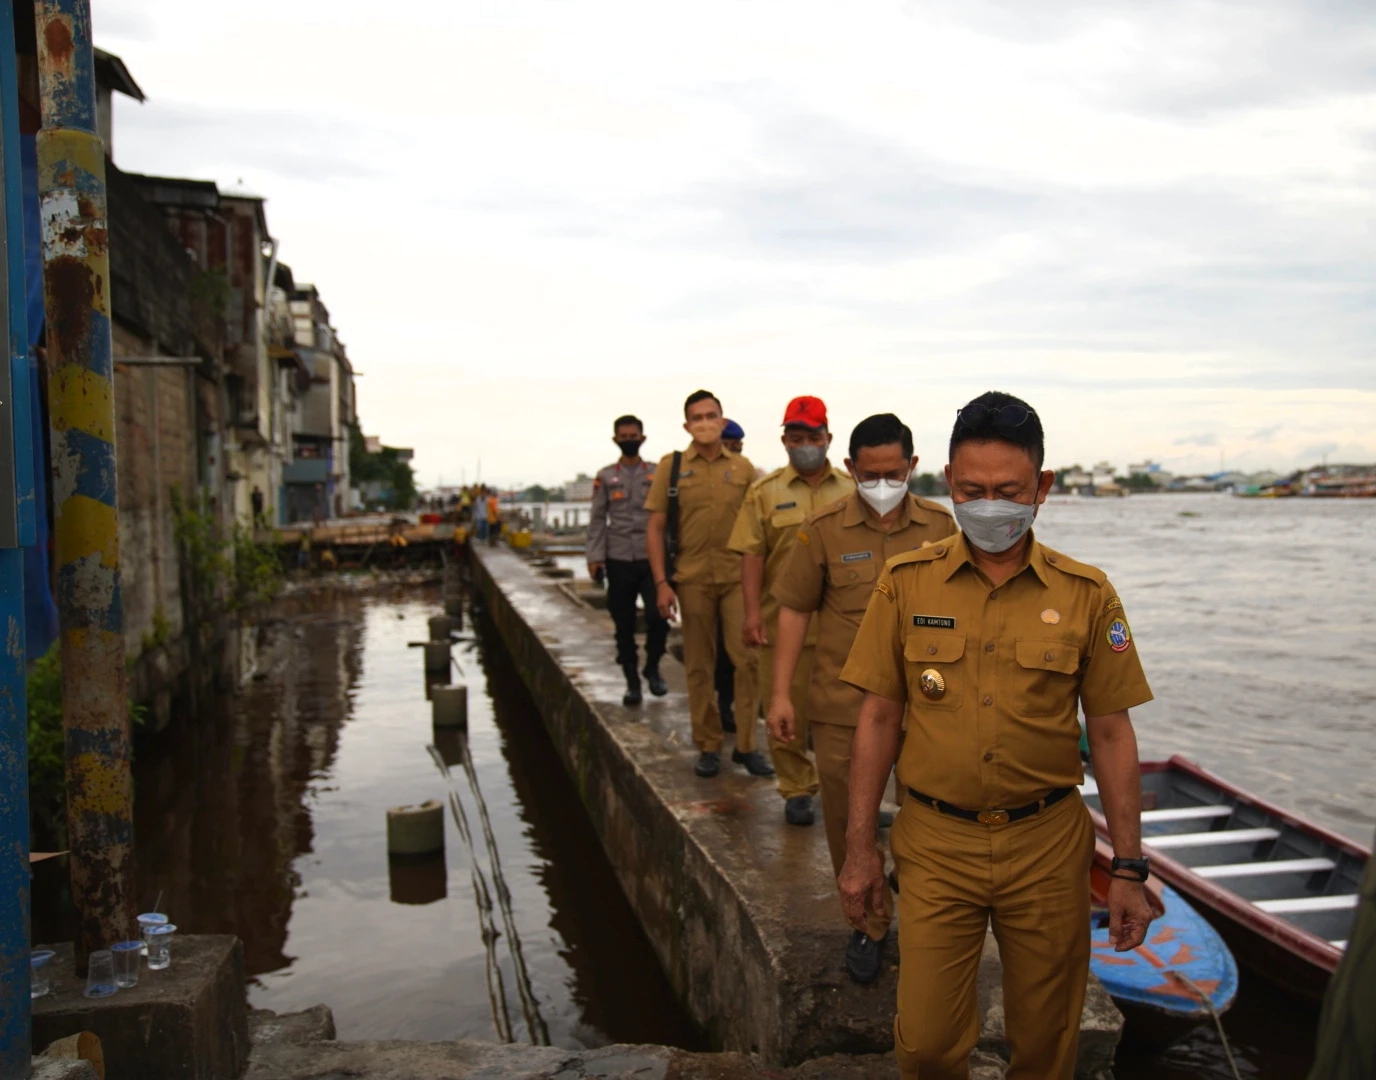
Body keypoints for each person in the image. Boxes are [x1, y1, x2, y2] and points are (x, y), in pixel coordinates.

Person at [836, 392, 1154, 1079]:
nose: (989, 506)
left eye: (1008, 491)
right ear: (947, 483)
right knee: (924, 1046)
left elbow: (1111, 733)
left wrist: (1128, 866)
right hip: (935, 841)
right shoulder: (905, 584)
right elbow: (878, 720)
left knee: (1045, 1046)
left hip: (1046, 844)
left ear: (1042, 487)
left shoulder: (1086, 593)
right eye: (972, 490)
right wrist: (860, 850)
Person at [769, 413, 956, 982]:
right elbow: (796, 610)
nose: (882, 484)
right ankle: (868, 925)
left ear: (913, 467)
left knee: (931, 818)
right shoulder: (822, 529)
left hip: (928, 707)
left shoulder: (943, 527)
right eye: (870, 474)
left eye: (893, 473)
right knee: (846, 823)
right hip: (842, 707)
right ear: (850, 469)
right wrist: (780, 694)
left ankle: (929, 924)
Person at [729, 396, 853, 827]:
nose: (805, 445)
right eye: (796, 437)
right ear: (784, 440)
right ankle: (797, 788)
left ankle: (858, 799)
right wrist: (750, 615)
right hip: (782, 624)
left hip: (845, 628)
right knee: (785, 714)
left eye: (813, 437)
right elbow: (751, 556)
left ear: (828, 438)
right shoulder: (764, 493)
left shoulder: (853, 489)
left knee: (851, 721)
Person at [645, 390, 773, 779]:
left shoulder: (745, 467)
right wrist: (661, 584)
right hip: (692, 577)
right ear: (687, 425)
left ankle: (747, 745)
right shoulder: (672, 466)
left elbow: (760, 526)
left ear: (722, 420)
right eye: (696, 417)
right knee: (699, 664)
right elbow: (655, 526)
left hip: (738, 578)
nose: (704, 422)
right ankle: (709, 744)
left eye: (711, 415)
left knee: (748, 660)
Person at [588, 414, 670, 706]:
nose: (629, 441)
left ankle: (653, 666)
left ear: (642, 439)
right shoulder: (606, 476)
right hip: (619, 557)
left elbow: (668, 516)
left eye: (633, 436)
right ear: (615, 440)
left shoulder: (658, 473)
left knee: (658, 616)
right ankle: (632, 682)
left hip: (652, 558)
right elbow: (598, 519)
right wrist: (595, 557)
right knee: (623, 623)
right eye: (623, 437)